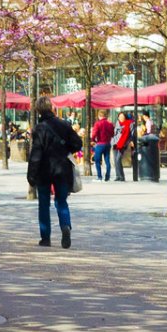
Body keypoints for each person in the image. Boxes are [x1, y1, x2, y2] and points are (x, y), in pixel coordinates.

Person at [27, 97, 82, 247]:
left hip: (44, 171)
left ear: (38, 110)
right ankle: (65, 226)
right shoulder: (64, 124)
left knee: (44, 203)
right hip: (62, 169)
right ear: (51, 107)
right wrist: (65, 149)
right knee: (61, 201)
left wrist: (31, 174)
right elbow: (78, 143)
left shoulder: (39, 128)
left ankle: (45, 238)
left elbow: (36, 154)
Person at [91, 111, 115, 182]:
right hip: (108, 143)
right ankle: (107, 177)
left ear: (99, 116)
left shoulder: (97, 123)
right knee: (107, 160)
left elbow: (94, 133)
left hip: (100, 143)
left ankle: (99, 177)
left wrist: (92, 140)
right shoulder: (110, 124)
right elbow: (112, 134)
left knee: (97, 160)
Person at [113, 112, 133, 183]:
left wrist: (130, 141)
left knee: (118, 159)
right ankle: (118, 176)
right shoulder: (117, 124)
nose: (121, 118)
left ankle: (122, 176)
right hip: (115, 143)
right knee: (115, 160)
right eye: (120, 117)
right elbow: (114, 133)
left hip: (122, 144)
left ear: (125, 117)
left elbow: (131, 135)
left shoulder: (129, 124)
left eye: (122, 117)